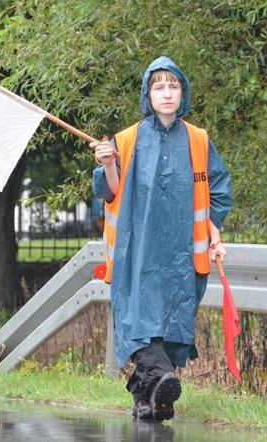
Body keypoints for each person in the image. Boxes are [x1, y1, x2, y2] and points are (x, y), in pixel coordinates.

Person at [91, 56, 232, 421]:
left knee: (172, 327)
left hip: (183, 255)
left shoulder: (199, 140)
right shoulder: (126, 139)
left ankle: (150, 399)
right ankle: (164, 382)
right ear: (147, 94)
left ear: (182, 93)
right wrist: (107, 163)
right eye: (159, 86)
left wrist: (214, 227)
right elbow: (110, 191)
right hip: (137, 252)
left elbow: (219, 189)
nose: (166, 93)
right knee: (142, 322)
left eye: (173, 86)